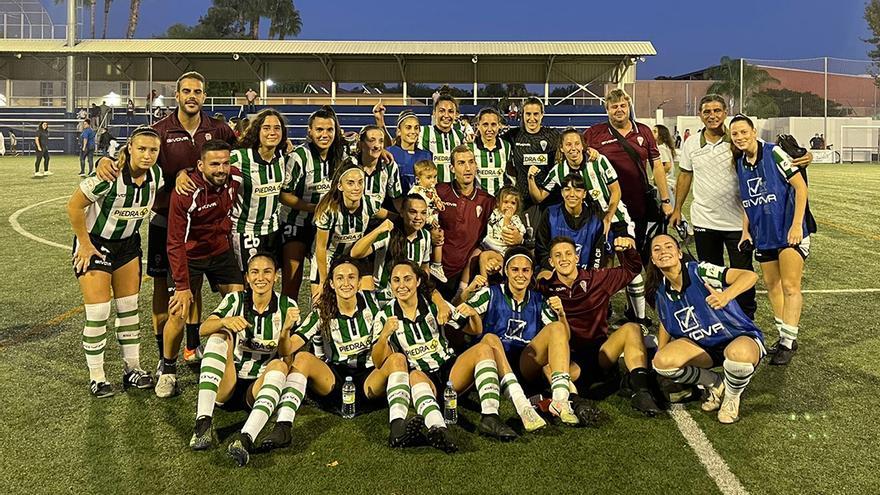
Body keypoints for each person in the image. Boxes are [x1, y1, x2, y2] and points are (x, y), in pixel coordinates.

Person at [96, 71, 238, 369]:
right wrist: (104, 161)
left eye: (197, 92)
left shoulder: (218, 129)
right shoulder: (160, 130)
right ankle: (164, 356)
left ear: (204, 95)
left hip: (205, 223)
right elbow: (130, 154)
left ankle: (192, 346)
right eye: (186, 91)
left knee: (194, 287)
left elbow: (242, 149)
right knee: (164, 287)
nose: (192, 96)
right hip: (166, 220)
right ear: (177, 95)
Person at [251, 257, 422, 463]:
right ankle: (283, 428)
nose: (346, 283)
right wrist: (285, 330)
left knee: (397, 359)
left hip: (370, 378)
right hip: (335, 381)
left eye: (351, 277)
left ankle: (398, 428)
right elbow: (287, 348)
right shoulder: (322, 310)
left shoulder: (375, 301)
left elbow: (410, 289)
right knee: (303, 357)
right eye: (339, 278)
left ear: (360, 282)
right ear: (331, 283)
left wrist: (438, 300)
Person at [669, 95, 813, 320]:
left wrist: (806, 156)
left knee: (744, 275)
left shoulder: (736, 141)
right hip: (704, 221)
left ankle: (746, 319)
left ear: (725, 112)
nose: (712, 115)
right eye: (707, 111)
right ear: (700, 114)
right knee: (711, 275)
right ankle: (720, 320)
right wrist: (677, 208)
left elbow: (769, 152)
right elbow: (685, 175)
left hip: (739, 222)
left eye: (717, 110)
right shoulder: (691, 144)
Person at [372, 260, 538, 449]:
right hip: (422, 377)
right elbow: (378, 362)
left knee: (484, 349)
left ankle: (490, 417)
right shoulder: (384, 316)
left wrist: (473, 314)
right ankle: (439, 428)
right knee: (415, 375)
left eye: (407, 279)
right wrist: (384, 335)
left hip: (449, 370)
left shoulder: (435, 306)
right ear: (391, 284)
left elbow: (475, 330)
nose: (402, 285)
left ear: (418, 281)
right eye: (396, 280)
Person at [66, 126, 163, 397]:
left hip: (129, 246)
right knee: (98, 312)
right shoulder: (109, 175)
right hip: (95, 245)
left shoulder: (157, 175)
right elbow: (73, 206)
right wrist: (84, 244)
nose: (147, 155)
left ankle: (132, 369)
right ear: (129, 147)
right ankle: (97, 376)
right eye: (141, 148)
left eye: (153, 150)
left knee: (129, 308)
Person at [188, 253, 300, 461]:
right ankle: (203, 422)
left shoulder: (288, 306)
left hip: (257, 388)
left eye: (267, 272)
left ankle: (245, 437)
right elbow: (203, 328)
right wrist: (225, 322)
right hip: (228, 384)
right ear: (247, 278)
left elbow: (289, 358)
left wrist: (284, 332)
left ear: (275, 276)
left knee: (280, 364)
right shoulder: (235, 299)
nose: (261, 277)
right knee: (218, 336)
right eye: (255, 272)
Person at [460, 247, 589, 425]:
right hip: (494, 362)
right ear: (506, 271)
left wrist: (561, 314)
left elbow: (563, 338)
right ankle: (522, 404)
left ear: (531, 273)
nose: (520, 275)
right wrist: (466, 295)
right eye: (515, 269)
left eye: (525, 270)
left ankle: (560, 400)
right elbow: (460, 318)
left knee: (557, 328)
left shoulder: (539, 300)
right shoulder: (490, 293)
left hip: (524, 364)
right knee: (490, 338)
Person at [158, 139, 245, 397]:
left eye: (225, 163)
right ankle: (168, 370)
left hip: (219, 251)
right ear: (200, 165)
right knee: (179, 311)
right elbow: (175, 241)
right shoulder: (186, 191)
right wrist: (183, 286)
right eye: (215, 164)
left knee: (238, 300)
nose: (221, 169)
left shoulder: (234, 178)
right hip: (189, 255)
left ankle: (234, 358)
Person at [646, 234, 765, 423]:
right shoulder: (661, 291)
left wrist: (726, 296)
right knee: (662, 362)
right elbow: (665, 321)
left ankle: (732, 398)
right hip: (704, 348)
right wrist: (661, 351)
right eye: (657, 249)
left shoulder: (700, 271)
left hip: (739, 338)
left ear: (679, 253)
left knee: (738, 354)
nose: (663, 252)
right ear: (653, 259)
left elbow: (750, 276)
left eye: (669, 247)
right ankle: (716, 383)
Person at [538, 235, 661, 415]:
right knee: (546, 365)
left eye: (568, 254)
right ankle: (574, 400)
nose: (563, 259)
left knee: (632, 328)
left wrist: (627, 251)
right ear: (551, 261)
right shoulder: (544, 286)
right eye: (557, 255)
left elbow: (632, 270)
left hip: (602, 352)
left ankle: (641, 393)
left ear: (576, 257)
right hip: (568, 360)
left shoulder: (596, 279)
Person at [731, 114, 809, 366]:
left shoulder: (774, 153)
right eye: (735, 134)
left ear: (753, 131)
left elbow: (800, 187)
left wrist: (796, 224)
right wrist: (746, 230)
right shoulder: (741, 162)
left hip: (787, 231)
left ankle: (788, 342)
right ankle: (785, 336)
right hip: (763, 234)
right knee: (772, 286)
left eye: (744, 132)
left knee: (790, 286)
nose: (740, 137)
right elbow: (746, 200)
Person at [583, 89, 673, 260]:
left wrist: (665, 200)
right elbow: (573, 151)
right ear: (607, 110)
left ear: (629, 106)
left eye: (623, 105)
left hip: (638, 203)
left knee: (639, 251)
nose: (619, 110)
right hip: (606, 205)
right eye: (614, 106)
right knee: (604, 254)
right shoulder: (594, 133)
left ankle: (642, 285)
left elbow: (657, 166)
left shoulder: (644, 131)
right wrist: (588, 151)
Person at [279, 106, 346, 300]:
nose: (324, 134)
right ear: (310, 131)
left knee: (323, 280)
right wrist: (313, 208)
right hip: (297, 223)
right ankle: (287, 324)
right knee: (292, 281)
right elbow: (284, 195)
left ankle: (319, 321)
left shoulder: (341, 156)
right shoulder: (298, 157)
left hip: (326, 226)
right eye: (319, 129)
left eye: (329, 130)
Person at [312, 161, 389, 299]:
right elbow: (320, 248)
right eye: (350, 183)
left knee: (366, 301)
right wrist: (323, 280)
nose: (356, 188)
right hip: (329, 258)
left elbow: (391, 217)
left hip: (355, 258)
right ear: (340, 186)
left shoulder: (369, 203)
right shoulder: (328, 210)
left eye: (360, 182)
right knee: (322, 306)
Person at [435, 145, 502, 300]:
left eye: (471, 162)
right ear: (452, 168)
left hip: (468, 274)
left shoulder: (487, 200)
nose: (468, 168)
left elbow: (496, 233)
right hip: (438, 271)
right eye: (461, 163)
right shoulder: (440, 192)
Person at [229, 109, 288, 272]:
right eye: (266, 128)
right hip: (245, 230)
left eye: (277, 128)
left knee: (268, 279)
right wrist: (183, 173)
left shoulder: (281, 159)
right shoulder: (239, 157)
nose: (272, 132)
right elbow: (212, 166)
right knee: (251, 280)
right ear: (257, 131)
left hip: (272, 231)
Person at [535, 174, 628, 276]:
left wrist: (586, 277)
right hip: (556, 270)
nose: (572, 194)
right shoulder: (550, 214)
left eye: (577, 190)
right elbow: (541, 250)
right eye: (567, 189)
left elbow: (599, 256)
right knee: (544, 276)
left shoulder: (595, 220)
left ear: (584, 194)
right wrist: (558, 269)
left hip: (586, 273)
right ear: (562, 192)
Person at [351, 194, 433, 291]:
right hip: (383, 296)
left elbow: (424, 268)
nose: (418, 217)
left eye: (423, 213)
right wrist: (378, 230)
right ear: (402, 212)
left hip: (410, 294)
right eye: (413, 212)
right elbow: (355, 253)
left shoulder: (426, 235)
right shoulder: (388, 233)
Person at [501, 97, 561, 213]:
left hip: (550, 199)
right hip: (523, 200)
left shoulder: (553, 135)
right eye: (528, 114)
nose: (532, 118)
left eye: (536, 114)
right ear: (522, 115)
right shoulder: (513, 136)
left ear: (542, 115)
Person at [409, 160, 447, 282]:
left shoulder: (431, 190)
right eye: (429, 177)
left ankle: (436, 265)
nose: (433, 181)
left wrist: (440, 204)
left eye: (434, 177)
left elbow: (435, 200)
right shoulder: (416, 192)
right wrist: (429, 220)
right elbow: (416, 210)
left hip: (433, 220)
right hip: (421, 224)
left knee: (439, 238)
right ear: (418, 179)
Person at [476, 186, 526, 279]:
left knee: (484, 256)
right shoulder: (495, 213)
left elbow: (506, 233)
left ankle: (484, 284)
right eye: (506, 202)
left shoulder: (515, 220)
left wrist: (507, 218)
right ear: (498, 203)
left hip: (501, 251)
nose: (509, 206)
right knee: (472, 256)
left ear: (517, 206)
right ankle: (462, 286)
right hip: (486, 245)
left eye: (513, 203)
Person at [378, 108, 432, 194]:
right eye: (408, 128)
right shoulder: (390, 153)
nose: (413, 131)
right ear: (399, 131)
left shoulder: (426, 155)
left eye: (416, 128)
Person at [418, 95, 466, 183]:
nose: (446, 115)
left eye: (451, 111)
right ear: (434, 113)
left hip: (454, 191)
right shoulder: (423, 132)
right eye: (442, 111)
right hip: (431, 190)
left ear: (455, 115)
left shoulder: (460, 135)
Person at [356, 124, 403, 212]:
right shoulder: (351, 163)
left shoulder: (389, 166)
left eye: (381, 141)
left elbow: (396, 198)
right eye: (372, 140)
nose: (377, 145)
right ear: (361, 144)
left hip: (380, 220)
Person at [469, 107, 513, 197]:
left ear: (499, 126)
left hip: (500, 202)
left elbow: (509, 174)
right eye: (485, 125)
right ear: (478, 125)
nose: (489, 129)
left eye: (493, 124)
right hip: (477, 201)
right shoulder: (470, 147)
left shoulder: (506, 146)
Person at [653, 124, 677, 208]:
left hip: (665, 183)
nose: (652, 133)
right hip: (670, 183)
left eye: (655, 131)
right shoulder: (666, 147)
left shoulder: (661, 148)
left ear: (661, 135)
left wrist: (656, 176)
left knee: (667, 209)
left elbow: (667, 165)